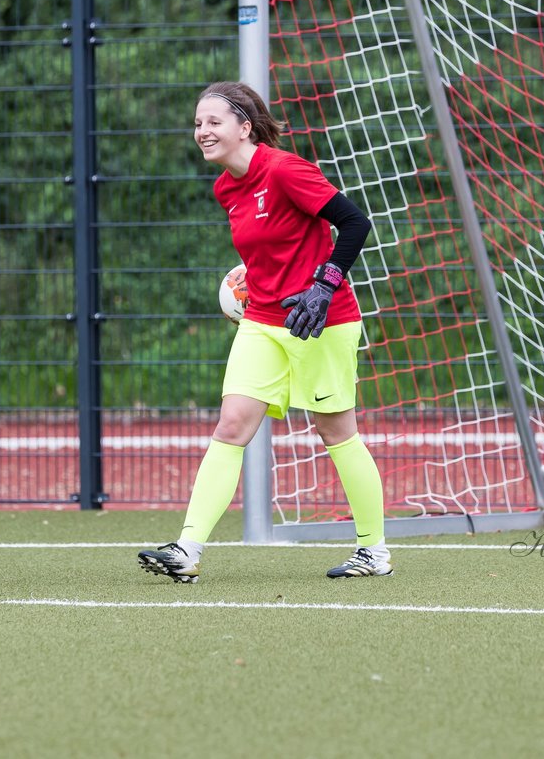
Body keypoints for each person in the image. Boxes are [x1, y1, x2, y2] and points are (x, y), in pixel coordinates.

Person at [138, 81, 390, 583]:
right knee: (232, 425)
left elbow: (355, 224)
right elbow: (269, 247)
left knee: (336, 432)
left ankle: (374, 552)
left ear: (244, 127)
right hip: (262, 322)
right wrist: (249, 280)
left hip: (320, 319)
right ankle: (187, 549)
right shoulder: (225, 187)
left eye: (213, 122)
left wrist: (324, 284)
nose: (202, 131)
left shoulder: (284, 169)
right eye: (197, 123)